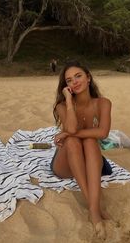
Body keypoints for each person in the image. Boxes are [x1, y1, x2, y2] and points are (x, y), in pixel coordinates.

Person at [51, 60, 112, 239]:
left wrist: (68, 134)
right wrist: (69, 101)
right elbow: (70, 129)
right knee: (72, 141)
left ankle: (92, 208)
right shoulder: (62, 106)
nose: (74, 82)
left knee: (90, 141)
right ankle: (95, 209)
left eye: (78, 76)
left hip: (90, 159)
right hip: (65, 165)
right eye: (69, 80)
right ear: (66, 86)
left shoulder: (103, 103)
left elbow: (102, 132)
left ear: (88, 78)